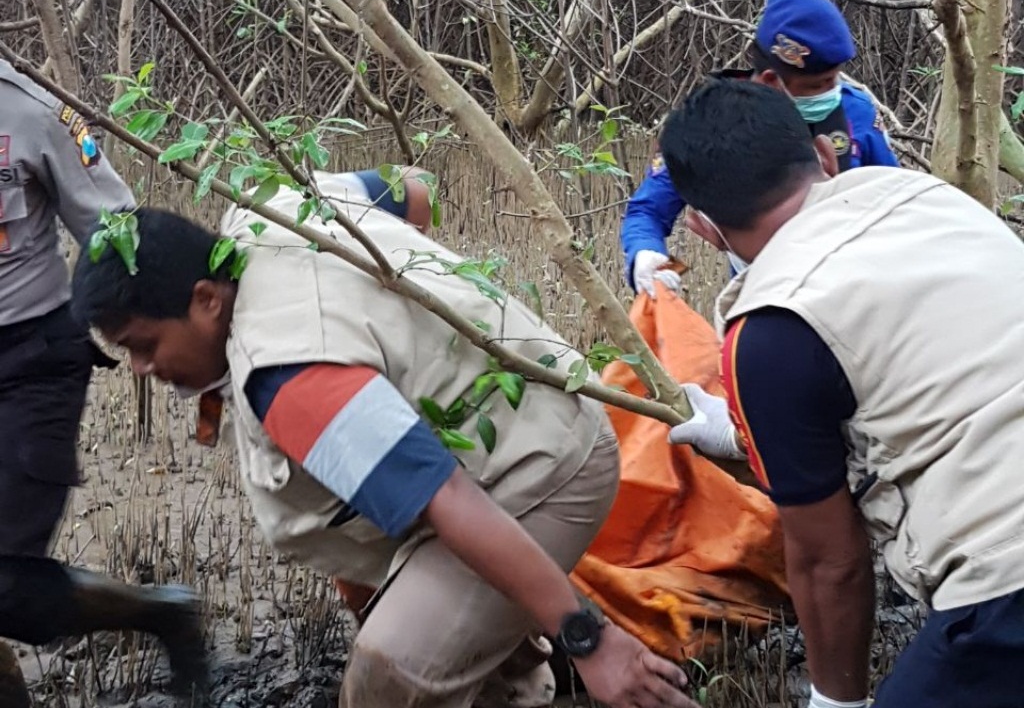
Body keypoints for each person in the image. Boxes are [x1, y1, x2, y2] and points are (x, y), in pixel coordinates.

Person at [70, 169, 700, 708]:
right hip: (508, 430)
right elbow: (413, 190)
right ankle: (512, 668)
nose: (141, 371)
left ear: (206, 299)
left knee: (387, 679)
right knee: (431, 628)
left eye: (143, 347)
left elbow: (448, 500)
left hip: (544, 468)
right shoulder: (275, 207)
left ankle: (553, 652)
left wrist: (590, 640)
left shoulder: (293, 379)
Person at [661, 77, 1024, 707]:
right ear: (826, 157)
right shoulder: (928, 197)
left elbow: (832, 562)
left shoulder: (769, 328)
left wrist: (836, 701)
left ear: (702, 228)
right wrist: (751, 432)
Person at [0, 58, 207, 705]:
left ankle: (161, 611)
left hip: (28, 360)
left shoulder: (32, 108)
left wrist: (197, 357)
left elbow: (116, 232)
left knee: (4, 583)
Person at [622, 0, 900, 297]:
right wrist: (646, 256)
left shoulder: (855, 113)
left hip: (855, 290)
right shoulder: (713, 123)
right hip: (761, 296)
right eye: (816, 86)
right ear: (770, 81)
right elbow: (648, 209)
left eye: (835, 79)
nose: (831, 92)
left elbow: (895, 198)